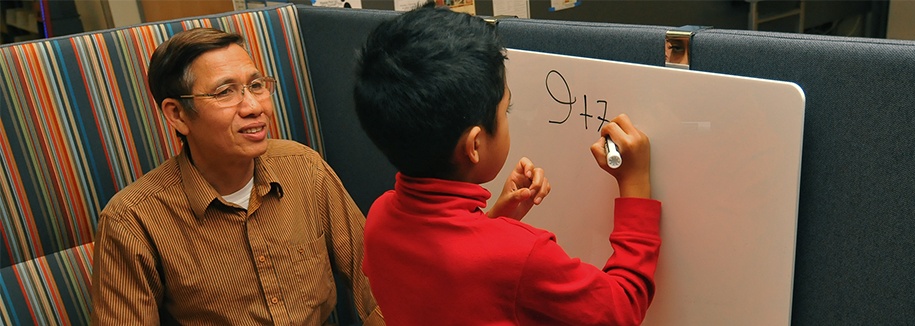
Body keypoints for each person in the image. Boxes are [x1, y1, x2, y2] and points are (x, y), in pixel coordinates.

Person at [354, 3, 662, 325]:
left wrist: (492, 221)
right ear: (475, 145)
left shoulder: (379, 219)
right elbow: (621, 308)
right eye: (506, 110)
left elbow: (449, 287)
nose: (507, 117)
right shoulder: (521, 256)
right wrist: (635, 183)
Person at [89, 27, 383, 325]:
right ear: (177, 115)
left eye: (256, 85)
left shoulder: (304, 168)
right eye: (225, 92)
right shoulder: (131, 221)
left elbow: (376, 281)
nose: (255, 107)